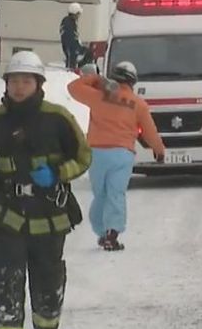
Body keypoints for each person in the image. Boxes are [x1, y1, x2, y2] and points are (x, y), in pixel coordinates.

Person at [0, 50, 92, 329]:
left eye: (26, 81)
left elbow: (84, 157)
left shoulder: (58, 118)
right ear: (6, 84)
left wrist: (58, 174)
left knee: (48, 287)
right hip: (3, 216)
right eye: (14, 81)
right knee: (5, 287)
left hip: (49, 217)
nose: (19, 87)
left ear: (38, 84)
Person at [67, 62, 166, 251]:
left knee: (100, 194)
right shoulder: (138, 104)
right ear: (133, 81)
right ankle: (112, 234)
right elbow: (149, 132)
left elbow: (73, 88)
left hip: (97, 153)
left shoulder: (98, 96)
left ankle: (101, 231)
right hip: (122, 154)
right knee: (116, 193)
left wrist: (95, 78)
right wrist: (159, 150)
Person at [59, 3, 89, 70]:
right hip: (71, 47)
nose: (79, 16)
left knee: (88, 52)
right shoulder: (68, 23)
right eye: (78, 14)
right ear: (75, 13)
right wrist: (77, 48)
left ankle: (78, 69)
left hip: (73, 47)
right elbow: (69, 38)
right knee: (71, 64)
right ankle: (72, 72)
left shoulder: (71, 22)